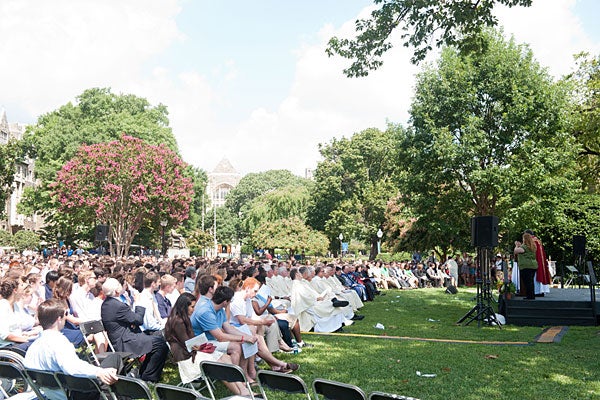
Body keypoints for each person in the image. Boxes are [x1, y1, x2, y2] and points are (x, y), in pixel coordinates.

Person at [24, 299, 119, 400]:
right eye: (66, 314)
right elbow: (72, 367)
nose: (66, 317)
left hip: (50, 393)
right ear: (59, 319)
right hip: (71, 394)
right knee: (115, 359)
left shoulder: (33, 347)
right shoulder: (59, 342)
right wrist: (99, 372)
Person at [164, 292, 252, 396]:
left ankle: (242, 388)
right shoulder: (178, 322)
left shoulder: (183, 318)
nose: (194, 309)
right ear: (184, 307)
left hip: (192, 352)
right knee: (220, 365)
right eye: (192, 307)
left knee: (225, 358)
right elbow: (187, 343)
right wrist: (200, 345)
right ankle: (240, 392)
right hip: (186, 357)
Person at [101, 278, 168, 382]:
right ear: (116, 291)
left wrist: (132, 322)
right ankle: (148, 378)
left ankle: (143, 373)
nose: (122, 286)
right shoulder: (117, 305)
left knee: (158, 340)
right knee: (160, 344)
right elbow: (138, 320)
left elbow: (130, 320)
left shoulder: (107, 303)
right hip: (125, 342)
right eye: (119, 285)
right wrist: (138, 303)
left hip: (124, 337)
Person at [514, 233, 537, 300]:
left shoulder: (524, 247)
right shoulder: (533, 246)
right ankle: (532, 295)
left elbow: (516, 251)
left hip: (525, 266)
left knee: (527, 282)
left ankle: (529, 296)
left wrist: (516, 245)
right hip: (533, 265)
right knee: (531, 281)